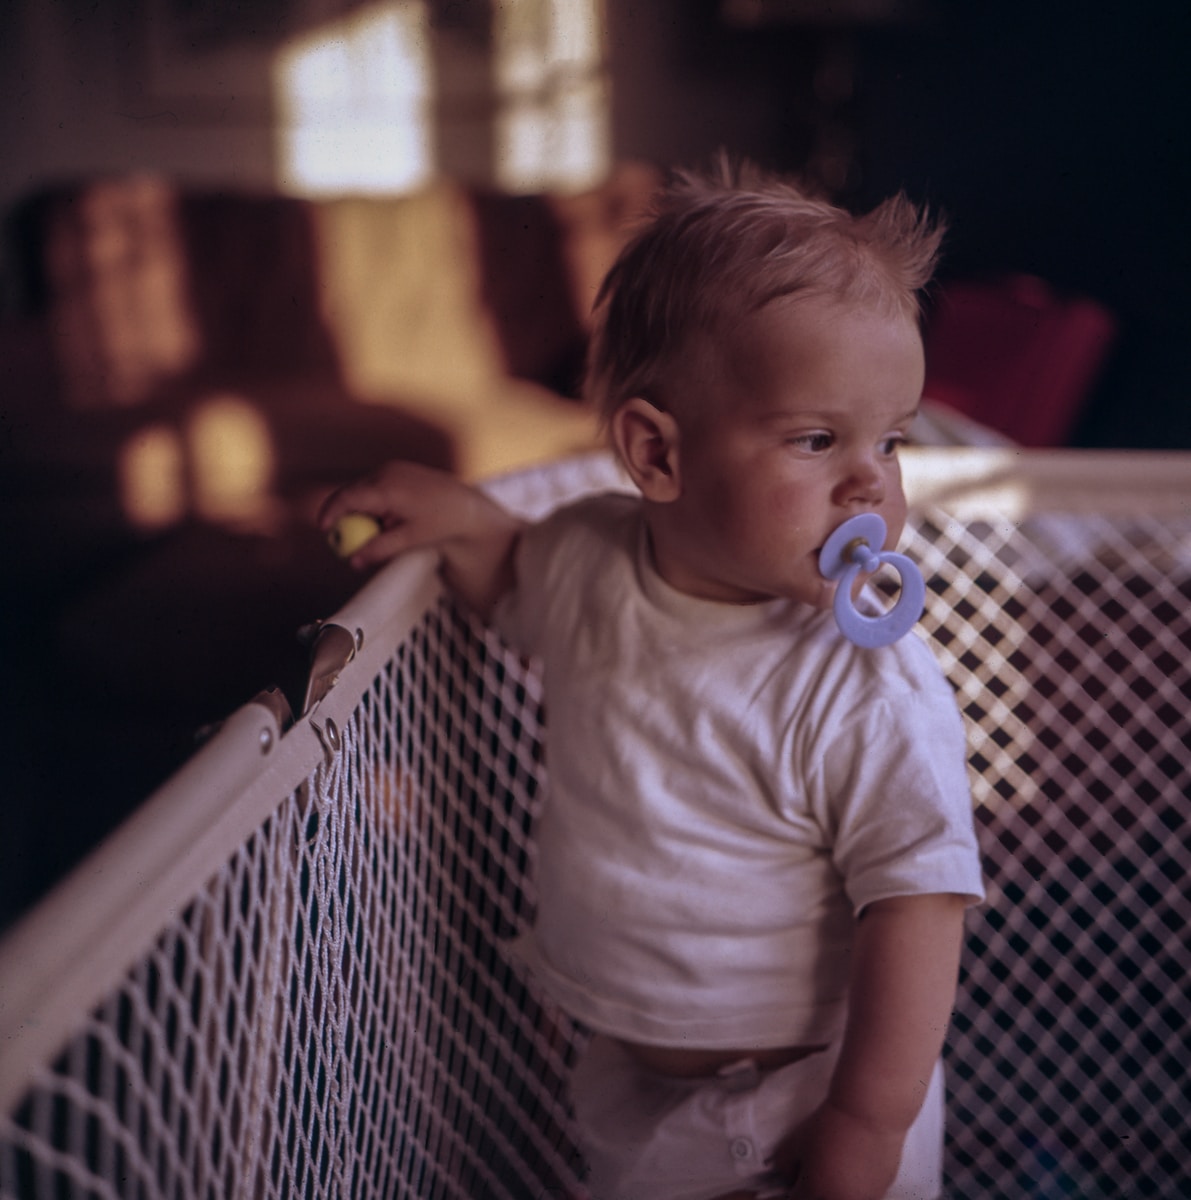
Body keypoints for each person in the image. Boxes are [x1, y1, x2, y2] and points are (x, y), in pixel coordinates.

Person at [318, 161, 985, 1200]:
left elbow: (918, 903)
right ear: (656, 455)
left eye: (890, 441)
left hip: (811, 1098)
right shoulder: (589, 558)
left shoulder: (862, 683)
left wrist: (866, 1123)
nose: (871, 483)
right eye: (818, 439)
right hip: (629, 1081)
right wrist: (461, 517)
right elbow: (512, 578)